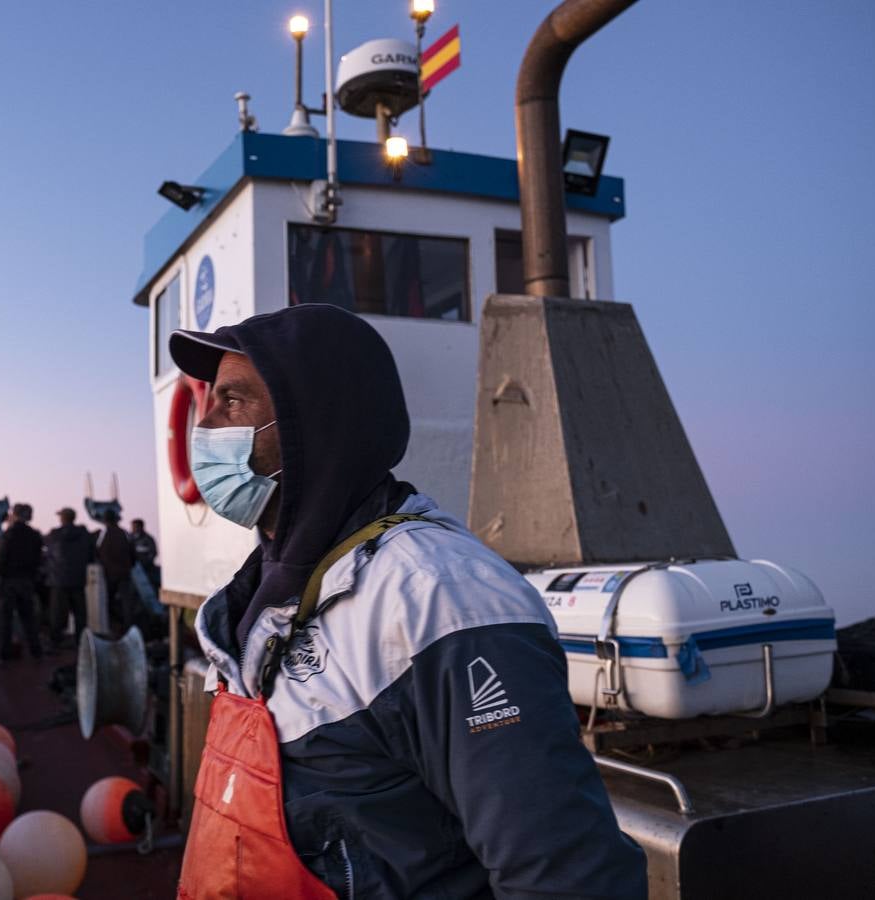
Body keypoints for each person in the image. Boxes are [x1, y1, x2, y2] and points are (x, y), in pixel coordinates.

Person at [169, 304, 647, 899]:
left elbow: (566, 877)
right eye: (210, 400)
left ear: (313, 422)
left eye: (233, 402)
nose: (206, 423)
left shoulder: (440, 601)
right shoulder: (266, 591)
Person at [0, 503, 43, 664]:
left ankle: (3, 656)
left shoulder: (8, 535)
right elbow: (39, 560)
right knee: (29, 620)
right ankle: (36, 652)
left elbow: (0, 560)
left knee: (5, 621)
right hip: (26, 583)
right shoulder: (35, 535)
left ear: (14, 515)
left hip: (8, 583)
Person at [44, 507, 94, 650]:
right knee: (80, 613)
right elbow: (91, 555)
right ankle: (81, 641)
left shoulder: (54, 534)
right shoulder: (84, 534)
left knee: (57, 614)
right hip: (78, 579)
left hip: (58, 580)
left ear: (62, 518)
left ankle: (55, 641)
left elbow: (46, 551)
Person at [95, 508, 134, 635]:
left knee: (108, 601)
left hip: (110, 574)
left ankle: (113, 626)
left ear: (105, 520)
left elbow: (98, 553)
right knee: (126, 602)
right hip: (125, 573)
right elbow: (133, 553)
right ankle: (128, 628)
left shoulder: (103, 534)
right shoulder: (125, 533)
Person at [129, 518, 158, 582]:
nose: (133, 528)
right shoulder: (129, 538)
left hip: (146, 568)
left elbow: (153, 552)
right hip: (132, 568)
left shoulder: (148, 539)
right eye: (132, 526)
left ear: (141, 527)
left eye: (135, 527)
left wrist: (146, 562)